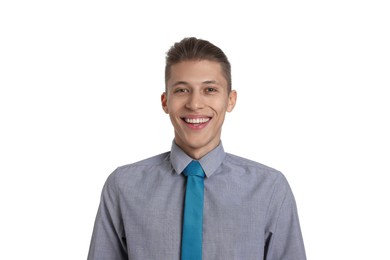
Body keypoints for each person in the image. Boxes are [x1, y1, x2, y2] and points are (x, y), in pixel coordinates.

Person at [87, 37, 306, 260]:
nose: (194, 104)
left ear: (230, 100)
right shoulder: (123, 186)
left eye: (210, 89)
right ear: (165, 101)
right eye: (182, 90)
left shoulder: (270, 188)